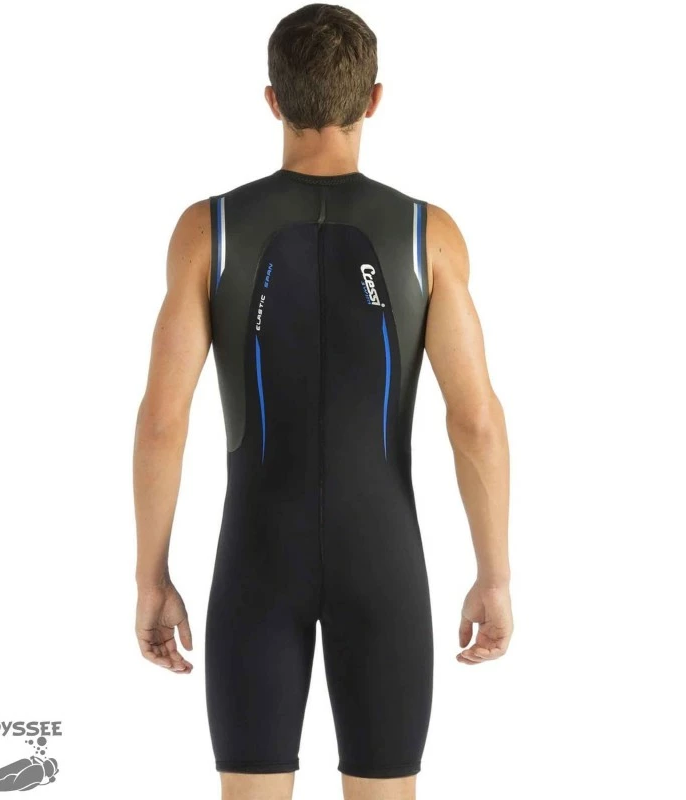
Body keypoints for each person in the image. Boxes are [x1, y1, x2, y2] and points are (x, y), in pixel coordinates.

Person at [133, 4, 512, 799]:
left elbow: (164, 420)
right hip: (384, 561)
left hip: (255, 558)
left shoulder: (209, 231)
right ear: (373, 99)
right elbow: (475, 421)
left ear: (273, 99)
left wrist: (152, 576)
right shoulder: (428, 234)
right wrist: (494, 574)